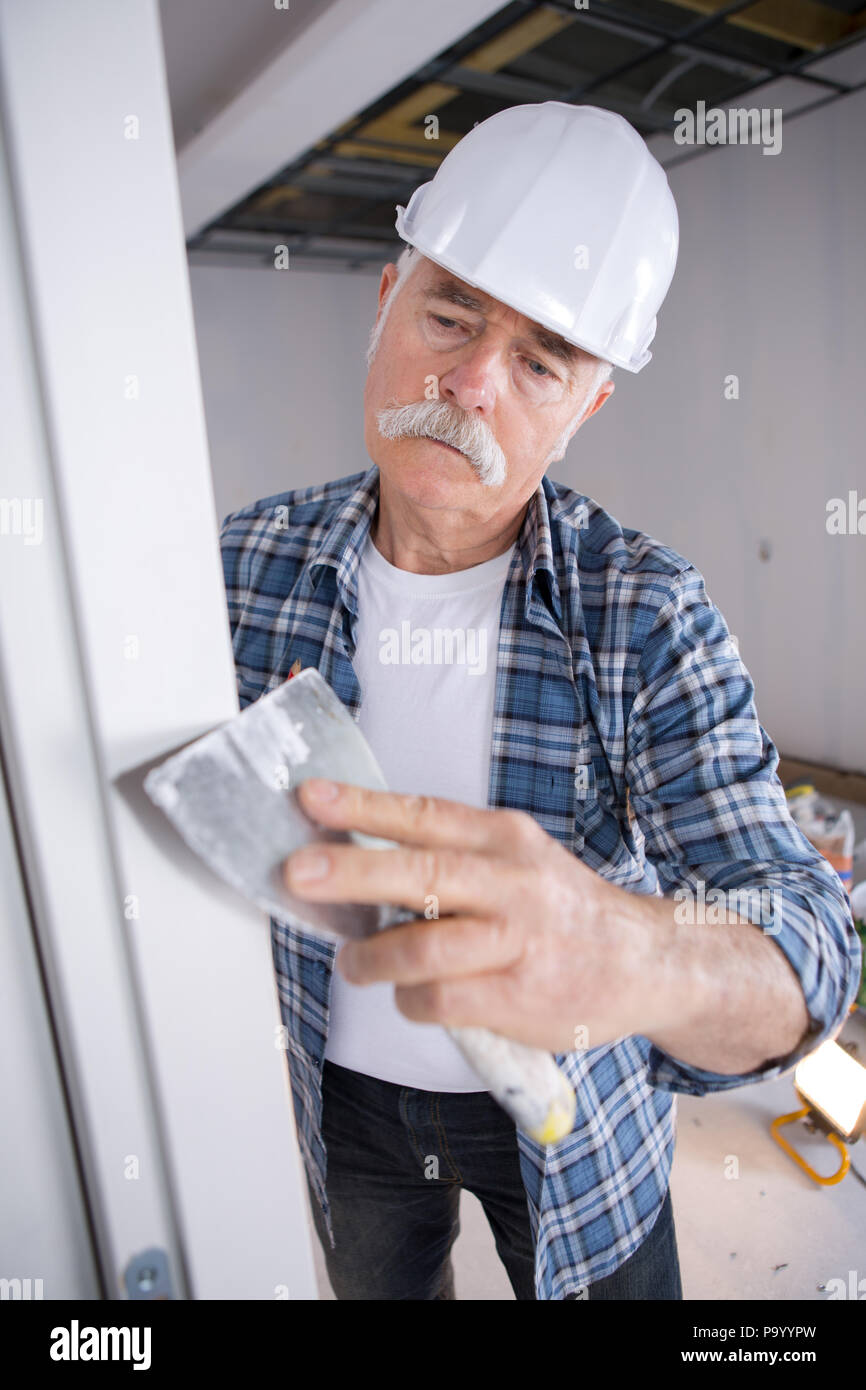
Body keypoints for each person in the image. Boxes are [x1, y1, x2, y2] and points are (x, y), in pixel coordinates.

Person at [219, 104, 861, 1300]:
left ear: (585, 407)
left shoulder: (644, 613)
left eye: (539, 361)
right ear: (384, 302)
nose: (467, 384)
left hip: (574, 1122)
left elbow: (807, 946)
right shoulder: (246, 561)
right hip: (343, 1095)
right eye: (449, 314)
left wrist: (631, 950)